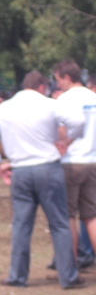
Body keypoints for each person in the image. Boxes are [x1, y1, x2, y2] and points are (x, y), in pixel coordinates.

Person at [0, 70, 85, 289]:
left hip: (21, 170)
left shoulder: (4, 108)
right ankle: (68, 277)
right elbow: (79, 121)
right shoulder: (49, 104)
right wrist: (67, 141)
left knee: (21, 225)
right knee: (60, 224)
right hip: (48, 168)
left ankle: (18, 275)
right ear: (42, 87)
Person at [54, 60, 96, 265]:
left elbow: (62, 129)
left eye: (58, 80)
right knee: (91, 216)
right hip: (93, 160)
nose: (58, 84)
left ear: (67, 78)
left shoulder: (65, 99)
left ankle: (70, 263)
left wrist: (63, 143)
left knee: (68, 215)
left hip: (72, 161)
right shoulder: (93, 97)